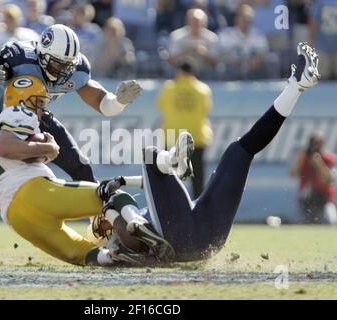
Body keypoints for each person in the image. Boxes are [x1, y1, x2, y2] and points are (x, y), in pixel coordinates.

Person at [96, 42, 321, 263]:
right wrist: (109, 210)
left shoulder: (149, 214)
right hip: (181, 235)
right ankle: (174, 162)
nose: (101, 227)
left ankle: (296, 87)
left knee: (241, 150)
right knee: (147, 157)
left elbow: (149, 187)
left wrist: (123, 179)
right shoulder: (116, 229)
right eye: (99, 228)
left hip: (206, 239)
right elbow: (114, 229)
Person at [0, 24, 143, 252]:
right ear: (42, 54)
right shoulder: (21, 57)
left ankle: (99, 226)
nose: (63, 71)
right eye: (58, 63)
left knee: (80, 166)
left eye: (68, 65)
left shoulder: (75, 69)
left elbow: (104, 105)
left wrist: (119, 100)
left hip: (34, 113)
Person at [0, 75, 166, 266]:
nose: (42, 108)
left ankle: (119, 254)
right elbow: (4, 148)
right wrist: (49, 149)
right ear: (21, 99)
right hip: (33, 192)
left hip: (15, 217)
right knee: (112, 195)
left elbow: (7, 152)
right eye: (38, 102)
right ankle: (140, 227)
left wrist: (42, 152)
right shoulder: (19, 113)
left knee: (86, 254)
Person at [156, 58, 213, 198]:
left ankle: (169, 207)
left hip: (172, 138)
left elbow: (160, 105)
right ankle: (199, 210)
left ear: (179, 72)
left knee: (169, 176)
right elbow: (206, 110)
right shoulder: (203, 89)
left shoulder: (169, 88)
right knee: (197, 178)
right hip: (196, 138)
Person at [290, 132, 337, 224]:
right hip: (305, 200)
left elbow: (330, 179)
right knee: (299, 225)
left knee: (330, 223)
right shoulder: (303, 157)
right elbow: (293, 174)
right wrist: (302, 158)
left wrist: (319, 163)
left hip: (324, 200)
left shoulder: (329, 158)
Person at [167, 8, 219, 78]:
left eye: (197, 21)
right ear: (187, 21)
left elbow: (216, 63)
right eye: (192, 21)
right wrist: (186, 51)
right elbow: (171, 60)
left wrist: (204, 53)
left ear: (204, 23)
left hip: (206, 77)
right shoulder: (177, 36)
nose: (195, 24)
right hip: (181, 76)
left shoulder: (211, 38)